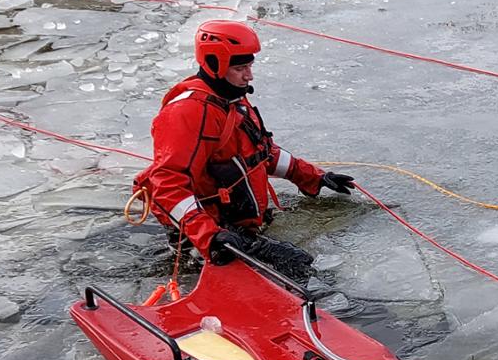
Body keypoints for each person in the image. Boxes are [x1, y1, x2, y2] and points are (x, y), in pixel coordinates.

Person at [133, 19, 354, 275]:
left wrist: (315, 177)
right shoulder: (187, 112)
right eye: (240, 68)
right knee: (297, 265)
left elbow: (262, 153)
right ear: (216, 64)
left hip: (234, 224)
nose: (249, 75)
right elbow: (168, 184)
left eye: (249, 66)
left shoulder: (232, 100)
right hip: (210, 230)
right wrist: (209, 236)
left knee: (296, 261)